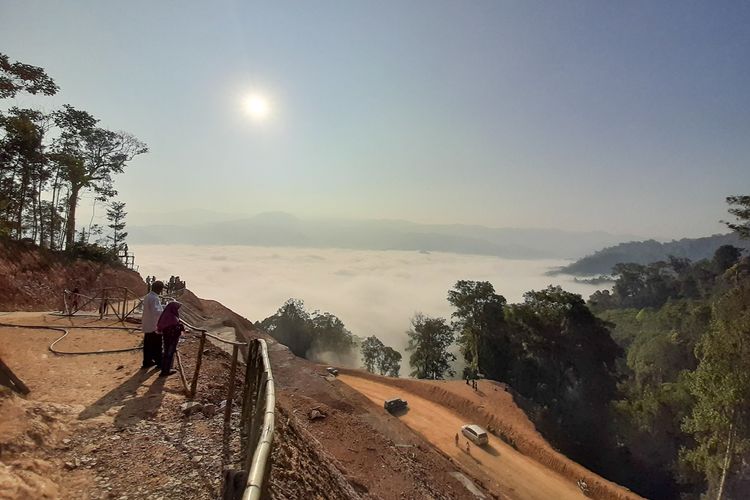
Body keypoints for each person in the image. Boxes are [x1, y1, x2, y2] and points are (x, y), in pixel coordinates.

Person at [157, 301, 185, 377]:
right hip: (171, 338)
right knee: (169, 353)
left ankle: (165, 369)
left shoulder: (166, 314)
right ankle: (165, 371)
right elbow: (173, 326)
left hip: (166, 337)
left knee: (166, 352)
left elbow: (160, 325)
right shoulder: (172, 316)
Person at [141, 280, 164, 369]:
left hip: (148, 324)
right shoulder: (155, 298)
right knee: (157, 345)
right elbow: (156, 312)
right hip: (154, 325)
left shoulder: (148, 296)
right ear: (159, 289)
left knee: (147, 344)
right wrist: (164, 311)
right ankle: (159, 363)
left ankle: (147, 362)